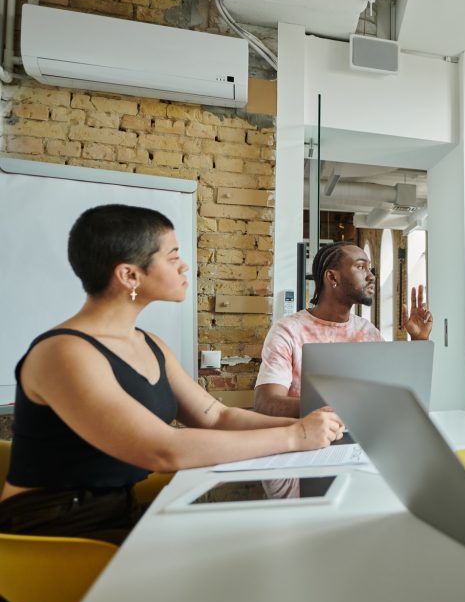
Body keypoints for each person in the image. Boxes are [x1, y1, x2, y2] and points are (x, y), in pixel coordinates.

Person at [0, 205, 342, 545]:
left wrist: (314, 424)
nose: (184, 265)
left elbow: (217, 417)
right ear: (129, 276)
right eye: (172, 255)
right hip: (55, 528)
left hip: (120, 511)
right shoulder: (64, 354)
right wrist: (296, 436)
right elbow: (164, 451)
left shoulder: (150, 344)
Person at [253, 241, 432, 418]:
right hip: (308, 439)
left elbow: (396, 391)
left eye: (370, 269)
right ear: (332, 277)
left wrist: (418, 341)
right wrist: (340, 409)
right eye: (361, 267)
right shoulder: (288, 331)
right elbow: (266, 402)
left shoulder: (368, 331)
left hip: (363, 435)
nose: (371, 276)